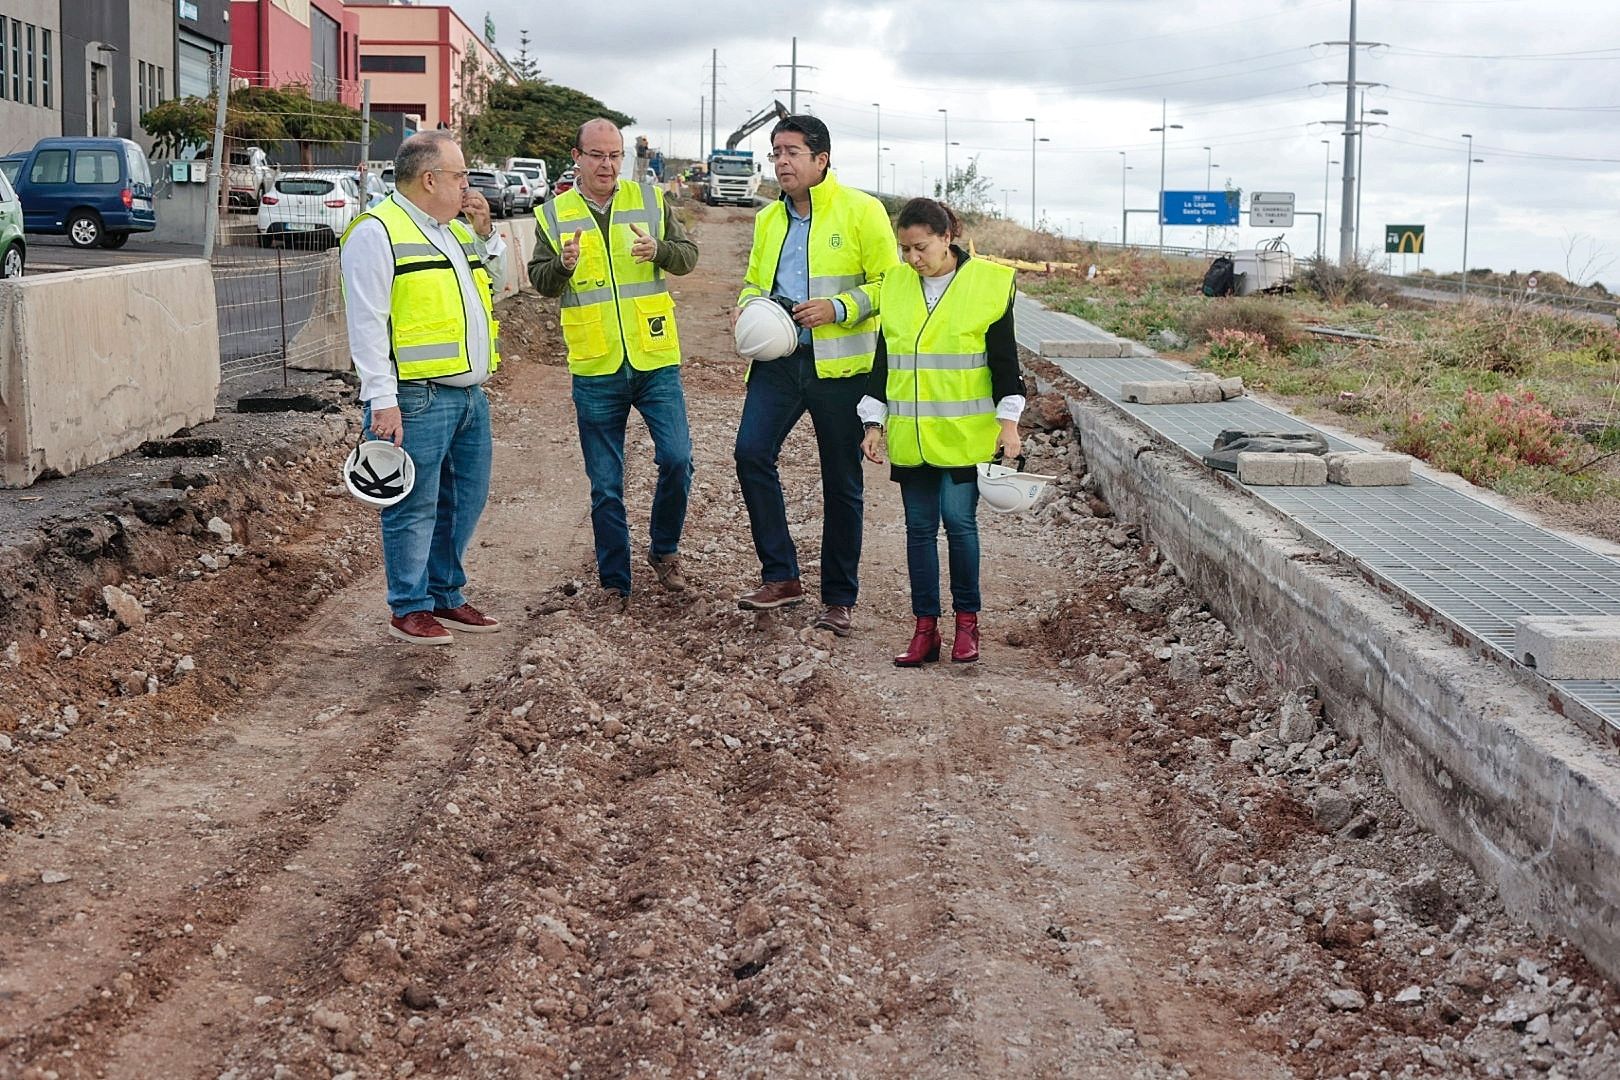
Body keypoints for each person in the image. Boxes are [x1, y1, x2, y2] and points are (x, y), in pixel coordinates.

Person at [733, 115, 900, 637]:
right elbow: (754, 282)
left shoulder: (862, 212)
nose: (781, 162)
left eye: (792, 153)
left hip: (842, 369)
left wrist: (839, 307)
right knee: (750, 453)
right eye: (775, 153)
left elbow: (890, 286)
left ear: (821, 159)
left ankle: (838, 599)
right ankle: (781, 576)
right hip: (779, 363)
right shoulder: (767, 220)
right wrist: (745, 311)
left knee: (842, 482)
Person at [339, 131, 506, 645]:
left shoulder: (451, 232)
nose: (467, 186)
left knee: (465, 499)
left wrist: (486, 235)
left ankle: (446, 593)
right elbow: (367, 322)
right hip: (417, 396)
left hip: (468, 394)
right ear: (429, 178)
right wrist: (381, 399)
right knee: (413, 505)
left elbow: (489, 289)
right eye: (460, 176)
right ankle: (409, 606)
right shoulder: (377, 231)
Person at [530, 119, 699, 608]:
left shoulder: (648, 201)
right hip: (596, 362)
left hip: (654, 357)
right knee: (606, 483)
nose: (607, 165)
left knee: (677, 459)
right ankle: (614, 582)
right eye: (597, 155)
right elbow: (541, 281)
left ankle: (664, 551)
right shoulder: (553, 215)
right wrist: (561, 265)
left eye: (615, 155)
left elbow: (688, 256)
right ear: (577, 156)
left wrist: (660, 249)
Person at [858, 198, 1025, 666]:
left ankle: (967, 626)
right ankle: (925, 630)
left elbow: (1005, 365)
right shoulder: (895, 284)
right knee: (917, 530)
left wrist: (1008, 423)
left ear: (946, 237)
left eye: (921, 248)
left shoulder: (987, 285)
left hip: (963, 437)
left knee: (959, 524)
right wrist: (873, 422)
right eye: (905, 249)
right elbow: (883, 362)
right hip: (911, 438)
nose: (913, 259)